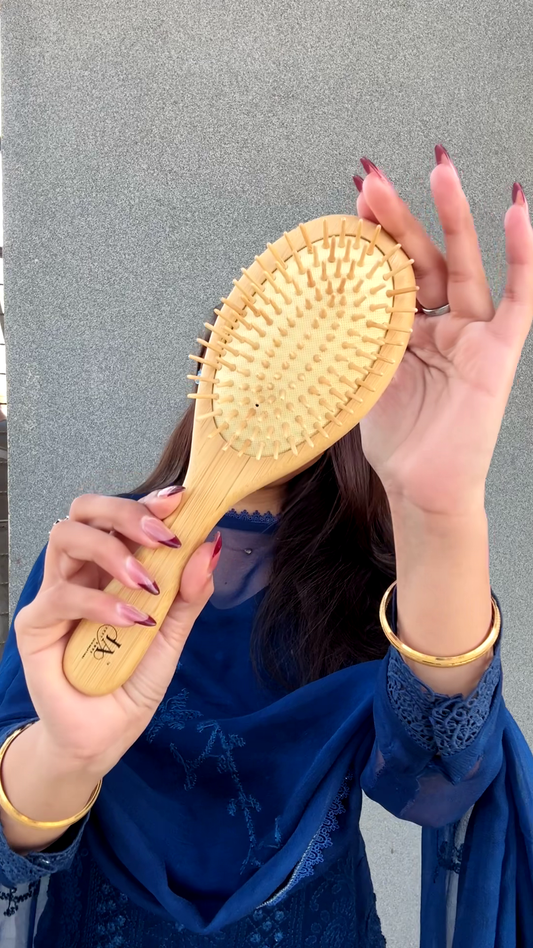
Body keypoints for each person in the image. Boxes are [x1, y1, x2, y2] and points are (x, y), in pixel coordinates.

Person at [0, 147, 533, 948]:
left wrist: (441, 511)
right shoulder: (100, 558)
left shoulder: (383, 589)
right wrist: (67, 756)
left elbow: (438, 782)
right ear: (218, 357)